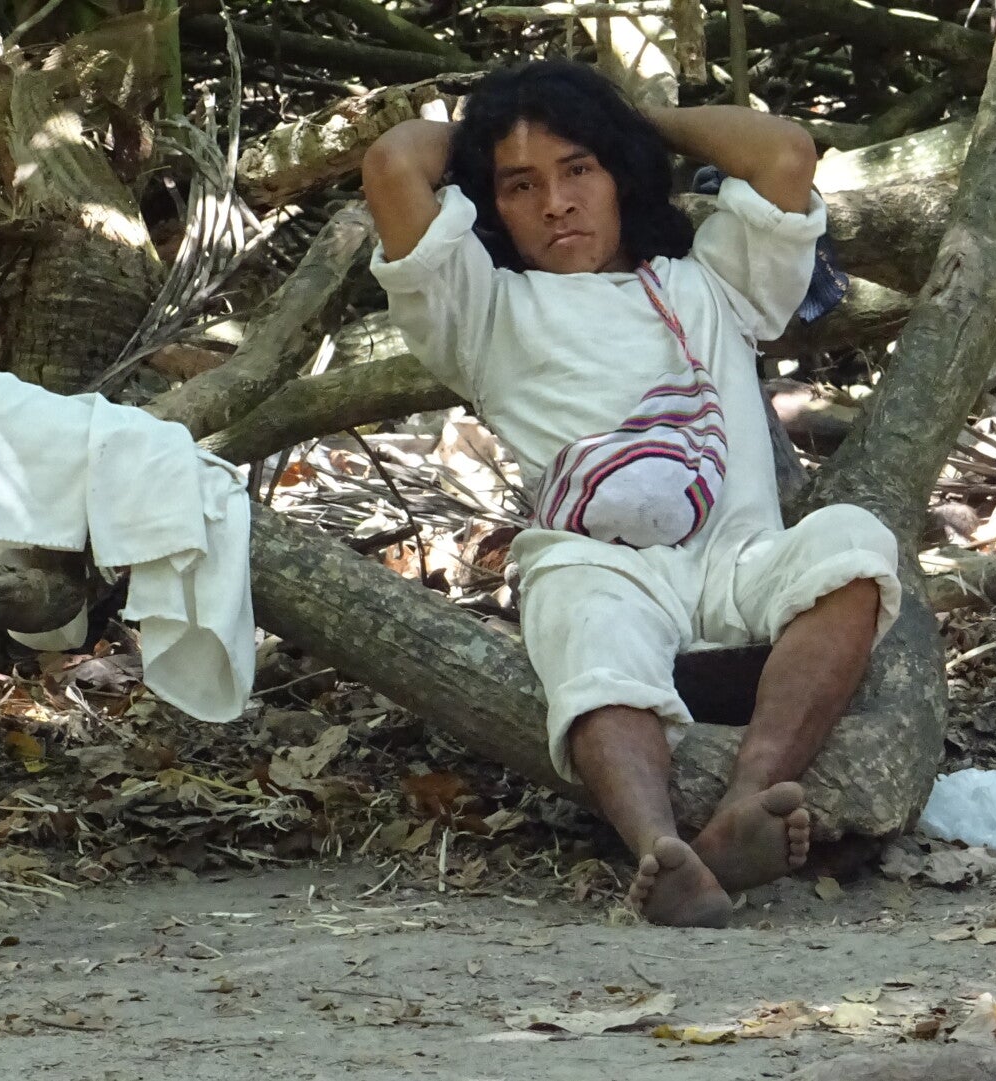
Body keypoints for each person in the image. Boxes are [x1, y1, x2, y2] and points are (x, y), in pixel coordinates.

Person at [362, 61, 902, 927]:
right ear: (492, 204)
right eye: (520, 184)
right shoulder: (481, 309)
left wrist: (623, 116)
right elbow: (394, 164)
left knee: (853, 541)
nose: (556, 203)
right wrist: (503, 123)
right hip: (604, 572)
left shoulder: (710, 282)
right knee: (574, 603)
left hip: (739, 563)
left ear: (619, 174)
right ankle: (660, 848)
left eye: (579, 169)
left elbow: (784, 152)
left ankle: (749, 800)